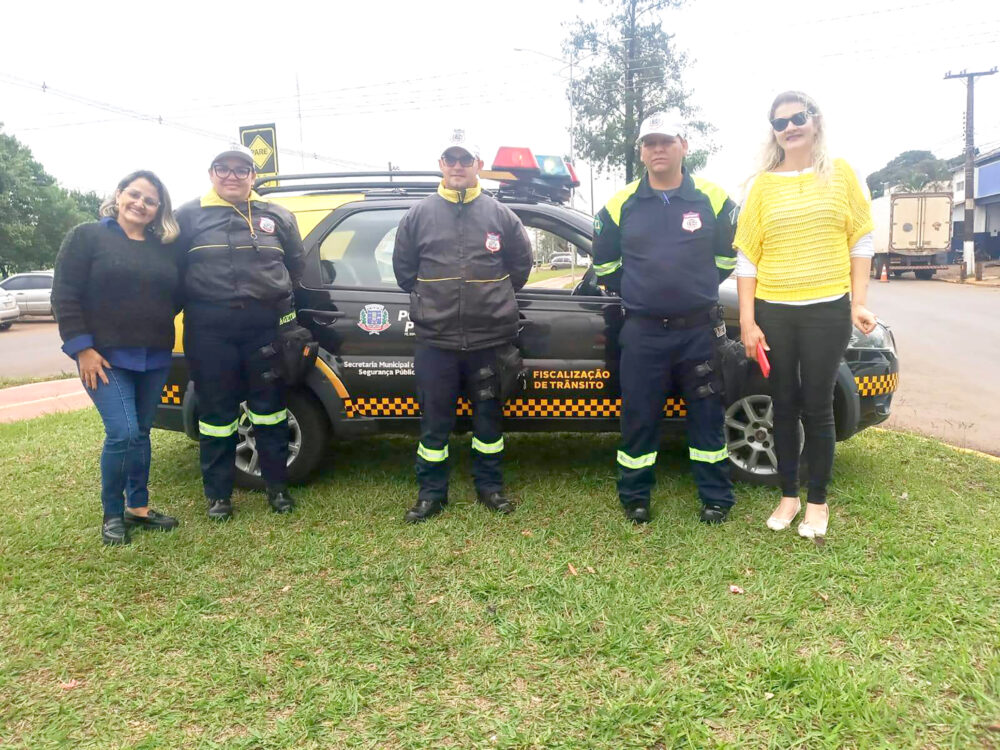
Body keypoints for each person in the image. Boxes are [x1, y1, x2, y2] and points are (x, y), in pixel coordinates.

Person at [734, 90, 876, 539]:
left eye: (798, 117)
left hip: (827, 310)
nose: (790, 127)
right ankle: (788, 496)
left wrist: (857, 302)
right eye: (780, 122)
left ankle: (817, 502)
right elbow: (747, 259)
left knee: (817, 406)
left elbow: (860, 241)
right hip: (773, 311)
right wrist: (747, 320)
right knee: (783, 404)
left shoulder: (842, 175)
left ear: (815, 121)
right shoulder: (761, 185)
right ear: (773, 131)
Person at [593, 112, 738, 524]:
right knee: (639, 417)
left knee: (707, 416)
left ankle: (716, 497)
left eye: (666, 141)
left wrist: (696, 284)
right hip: (642, 333)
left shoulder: (714, 198)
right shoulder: (620, 203)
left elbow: (729, 255)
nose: (657, 149)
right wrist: (641, 290)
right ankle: (635, 497)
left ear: (683, 146)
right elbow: (604, 264)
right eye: (649, 143)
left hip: (699, 331)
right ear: (641, 151)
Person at [393, 130, 533, 523]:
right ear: (441, 165)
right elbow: (405, 273)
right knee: (434, 425)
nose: (457, 166)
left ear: (478, 166)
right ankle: (431, 495)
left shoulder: (500, 215)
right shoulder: (418, 215)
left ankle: (490, 489)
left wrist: (489, 300)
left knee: (488, 420)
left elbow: (520, 268)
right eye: (450, 159)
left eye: (465, 160)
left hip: (490, 339)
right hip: (435, 340)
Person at [174, 144, 305, 520]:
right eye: (223, 168)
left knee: (270, 411)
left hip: (264, 329)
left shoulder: (276, 215)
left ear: (252, 175)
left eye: (241, 169)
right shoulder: (187, 216)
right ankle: (218, 496)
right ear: (211, 173)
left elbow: (296, 268)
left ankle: (277, 488)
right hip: (209, 330)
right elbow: (169, 274)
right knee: (216, 414)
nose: (232, 175)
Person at [52, 170, 182, 545]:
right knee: (122, 432)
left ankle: (137, 507)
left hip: (155, 355)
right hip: (104, 358)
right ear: (119, 194)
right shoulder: (87, 236)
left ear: (159, 210)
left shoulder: (164, 248)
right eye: (135, 194)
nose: (140, 204)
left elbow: (175, 295)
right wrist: (82, 348)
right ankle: (112, 513)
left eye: (150, 200)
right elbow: (65, 294)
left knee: (141, 433)